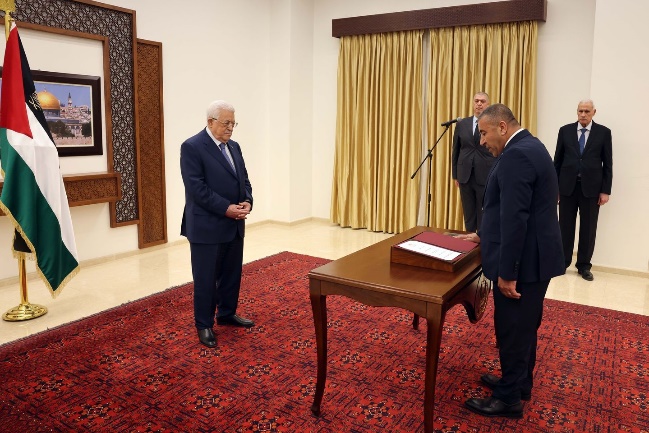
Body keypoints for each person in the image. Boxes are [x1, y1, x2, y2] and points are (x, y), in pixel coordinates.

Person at [458, 104, 564, 418]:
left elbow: (516, 218)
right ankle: (519, 384)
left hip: (525, 263)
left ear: (502, 127)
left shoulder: (517, 154)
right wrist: (483, 234)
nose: (482, 140)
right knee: (524, 327)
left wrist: (508, 273)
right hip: (536, 256)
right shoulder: (528, 145)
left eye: (485, 132)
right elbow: (510, 206)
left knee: (513, 329)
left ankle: (507, 399)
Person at [180, 100, 254, 349]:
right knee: (206, 278)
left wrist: (247, 201)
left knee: (232, 274)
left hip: (234, 224)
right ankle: (204, 324)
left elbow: (244, 179)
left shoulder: (234, 147)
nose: (231, 128)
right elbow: (196, 188)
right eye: (226, 123)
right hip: (206, 226)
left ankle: (226, 313)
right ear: (210, 122)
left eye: (233, 123)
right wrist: (226, 208)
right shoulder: (192, 147)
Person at [553, 99, 612, 281]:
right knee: (565, 227)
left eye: (587, 111)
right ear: (577, 112)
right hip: (567, 188)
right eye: (580, 111)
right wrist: (554, 188)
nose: (583, 114)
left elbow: (608, 163)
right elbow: (557, 161)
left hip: (592, 189)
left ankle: (584, 266)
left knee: (588, 228)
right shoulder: (565, 131)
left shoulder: (603, 133)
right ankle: (562, 262)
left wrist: (605, 190)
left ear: (594, 112)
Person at [451, 92, 496, 232]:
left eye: (482, 101)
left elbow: (496, 149)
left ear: (488, 105)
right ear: (472, 103)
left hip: (485, 175)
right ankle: (469, 244)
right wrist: (455, 175)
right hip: (465, 175)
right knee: (469, 214)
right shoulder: (462, 124)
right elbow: (456, 150)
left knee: (483, 213)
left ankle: (482, 244)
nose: (479, 104)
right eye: (476, 101)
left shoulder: (492, 124)